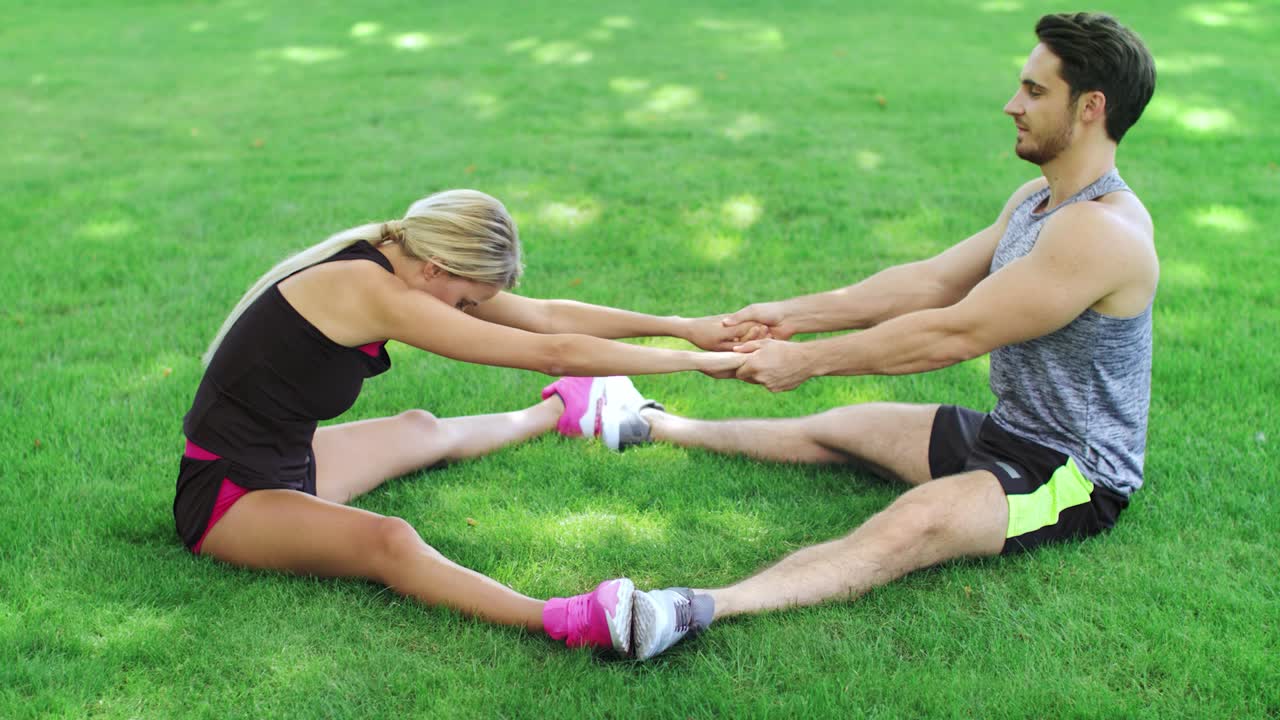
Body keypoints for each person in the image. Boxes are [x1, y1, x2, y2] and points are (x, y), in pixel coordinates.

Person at [607, 12, 1159, 660]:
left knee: (913, 524)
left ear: (1091, 106)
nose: (1012, 105)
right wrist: (790, 314)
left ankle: (694, 608)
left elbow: (954, 333)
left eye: (1035, 92)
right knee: (841, 429)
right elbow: (930, 284)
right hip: (1007, 429)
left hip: (1070, 474)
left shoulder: (1101, 232)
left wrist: (807, 361)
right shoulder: (1037, 200)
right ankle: (656, 425)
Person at [174, 188, 764, 655]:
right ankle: (567, 619)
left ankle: (565, 409)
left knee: (420, 426)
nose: (462, 313)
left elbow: (543, 317)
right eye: (463, 303)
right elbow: (549, 350)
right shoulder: (368, 289)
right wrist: (694, 362)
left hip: (293, 462)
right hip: (230, 498)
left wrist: (684, 325)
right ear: (436, 269)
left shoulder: (403, 256)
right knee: (390, 540)